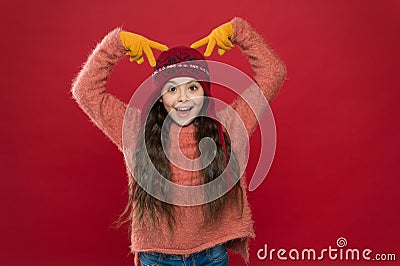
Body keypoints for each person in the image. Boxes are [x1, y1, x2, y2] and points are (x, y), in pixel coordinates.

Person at [71, 17, 286, 266]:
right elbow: (85, 90)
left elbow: (273, 73)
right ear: (160, 96)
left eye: (192, 88)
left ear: (205, 91)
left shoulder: (227, 124)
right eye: (172, 89)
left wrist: (239, 32)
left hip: (211, 255)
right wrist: (116, 44)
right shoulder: (134, 129)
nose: (183, 98)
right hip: (158, 258)